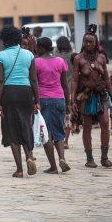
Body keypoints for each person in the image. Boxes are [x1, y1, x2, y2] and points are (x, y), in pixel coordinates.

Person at [0, 26, 38, 178]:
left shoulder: (0, 56)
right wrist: (36, 100)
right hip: (26, 93)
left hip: (9, 93)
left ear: (5, 41)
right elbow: (33, 79)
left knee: (12, 130)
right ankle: (29, 156)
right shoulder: (29, 55)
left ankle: (19, 170)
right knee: (25, 125)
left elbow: (0, 80)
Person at [72, 24, 112, 168]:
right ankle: (89, 158)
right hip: (86, 96)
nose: (88, 44)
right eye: (86, 41)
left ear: (96, 43)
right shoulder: (78, 58)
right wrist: (72, 99)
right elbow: (74, 80)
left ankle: (104, 157)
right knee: (87, 127)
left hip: (101, 95)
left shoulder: (102, 58)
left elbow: (107, 79)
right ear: (83, 43)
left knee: (105, 124)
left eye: (91, 41)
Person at [35, 37, 71, 174]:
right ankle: (62, 158)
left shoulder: (36, 62)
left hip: (43, 100)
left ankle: (53, 167)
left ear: (41, 48)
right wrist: (68, 103)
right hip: (59, 99)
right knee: (59, 132)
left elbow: (34, 82)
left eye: (38, 47)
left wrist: (35, 102)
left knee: (46, 134)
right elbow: (65, 85)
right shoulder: (60, 62)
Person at [54, 36, 74, 149]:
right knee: (68, 116)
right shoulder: (73, 56)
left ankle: (58, 139)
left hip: (57, 90)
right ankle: (65, 141)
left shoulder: (55, 57)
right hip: (71, 90)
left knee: (58, 116)